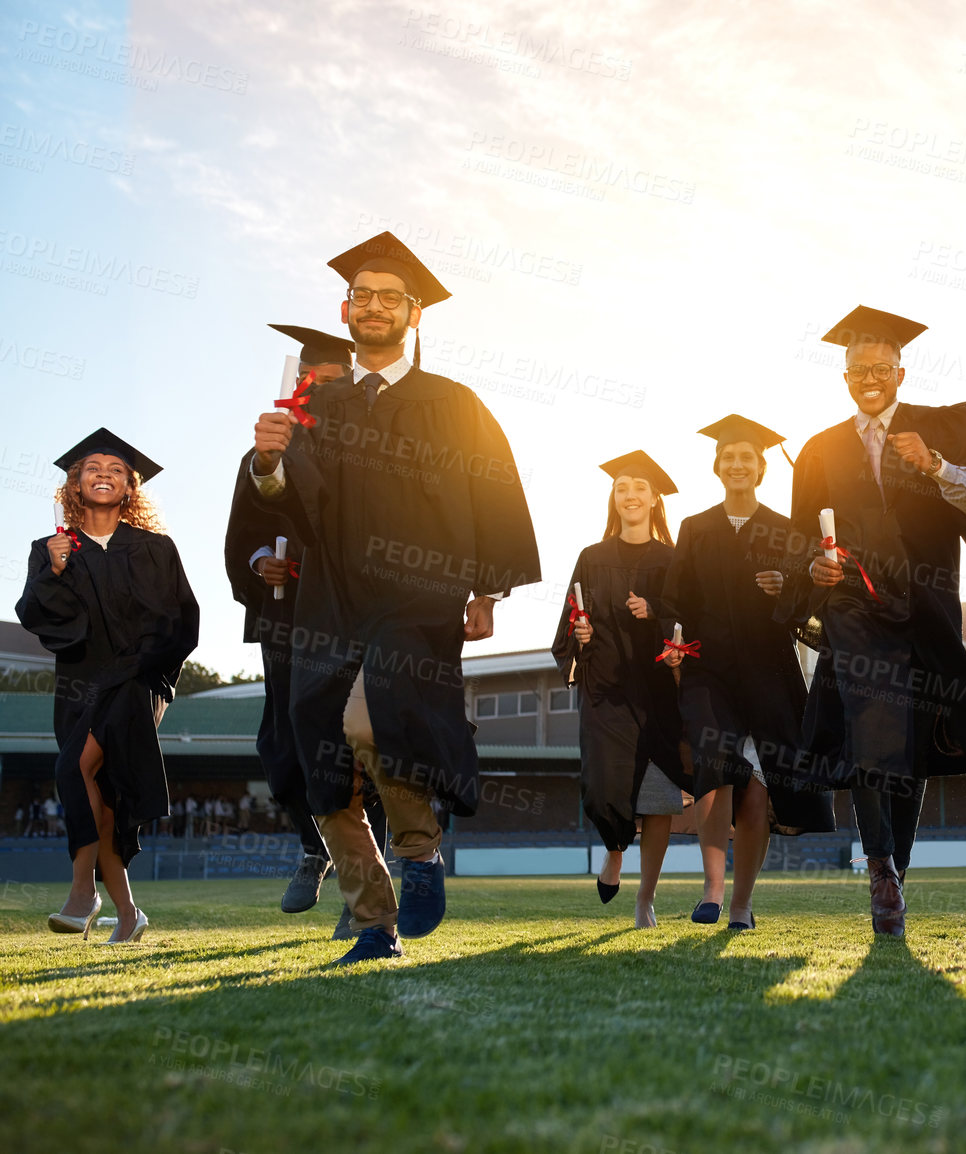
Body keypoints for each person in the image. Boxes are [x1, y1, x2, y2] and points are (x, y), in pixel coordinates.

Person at [245, 232, 540, 963]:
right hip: (332, 597)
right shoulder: (320, 404)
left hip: (417, 591)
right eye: (361, 296)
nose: (372, 306)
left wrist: (489, 591)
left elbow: (493, 493)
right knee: (321, 754)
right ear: (347, 310)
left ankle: (419, 848)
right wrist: (268, 464)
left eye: (389, 297)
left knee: (373, 720)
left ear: (415, 314)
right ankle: (375, 924)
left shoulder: (452, 401)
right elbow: (292, 508)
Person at [780, 305, 966, 937]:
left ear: (901, 372)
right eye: (857, 370)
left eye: (881, 367)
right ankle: (879, 864)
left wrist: (936, 466)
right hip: (854, 605)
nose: (869, 378)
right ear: (845, 375)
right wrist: (813, 573)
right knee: (868, 717)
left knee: (910, 741)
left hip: (928, 603)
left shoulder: (939, 430)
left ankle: (894, 873)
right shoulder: (820, 450)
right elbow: (802, 541)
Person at [224, 322, 386, 937]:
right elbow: (242, 531)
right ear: (297, 387)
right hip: (285, 615)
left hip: (349, 613)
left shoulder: (363, 451)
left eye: (335, 380)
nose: (322, 390)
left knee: (349, 743)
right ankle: (313, 846)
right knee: (284, 744)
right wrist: (256, 560)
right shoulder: (267, 453)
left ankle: (361, 883)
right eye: (312, 381)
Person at [17, 430, 200, 944]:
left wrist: (146, 669)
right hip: (79, 683)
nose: (102, 473)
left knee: (72, 768)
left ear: (129, 486)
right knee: (104, 795)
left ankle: (82, 892)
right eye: (91, 467)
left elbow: (182, 622)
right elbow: (35, 618)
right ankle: (129, 913)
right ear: (75, 483)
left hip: (140, 677)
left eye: (114, 469)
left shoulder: (155, 548)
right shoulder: (53, 548)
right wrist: (53, 571)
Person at [660, 415, 837, 930]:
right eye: (729, 457)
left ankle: (742, 903)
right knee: (715, 775)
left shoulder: (785, 530)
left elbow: (810, 604)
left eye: (747, 458)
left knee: (757, 788)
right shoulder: (695, 528)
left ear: (761, 468)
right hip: (709, 669)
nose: (737, 464)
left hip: (767, 670)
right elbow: (675, 599)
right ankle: (712, 891)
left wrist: (785, 588)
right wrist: (670, 641)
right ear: (717, 467)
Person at [552, 451, 689, 929]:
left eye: (639, 488)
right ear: (615, 498)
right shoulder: (592, 558)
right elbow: (572, 618)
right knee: (604, 786)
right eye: (622, 487)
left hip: (655, 695)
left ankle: (645, 899)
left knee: (656, 800)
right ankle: (614, 850)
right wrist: (579, 636)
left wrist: (654, 614)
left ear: (654, 500)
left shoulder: (672, 560)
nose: (630, 495)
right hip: (605, 691)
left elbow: (684, 622)